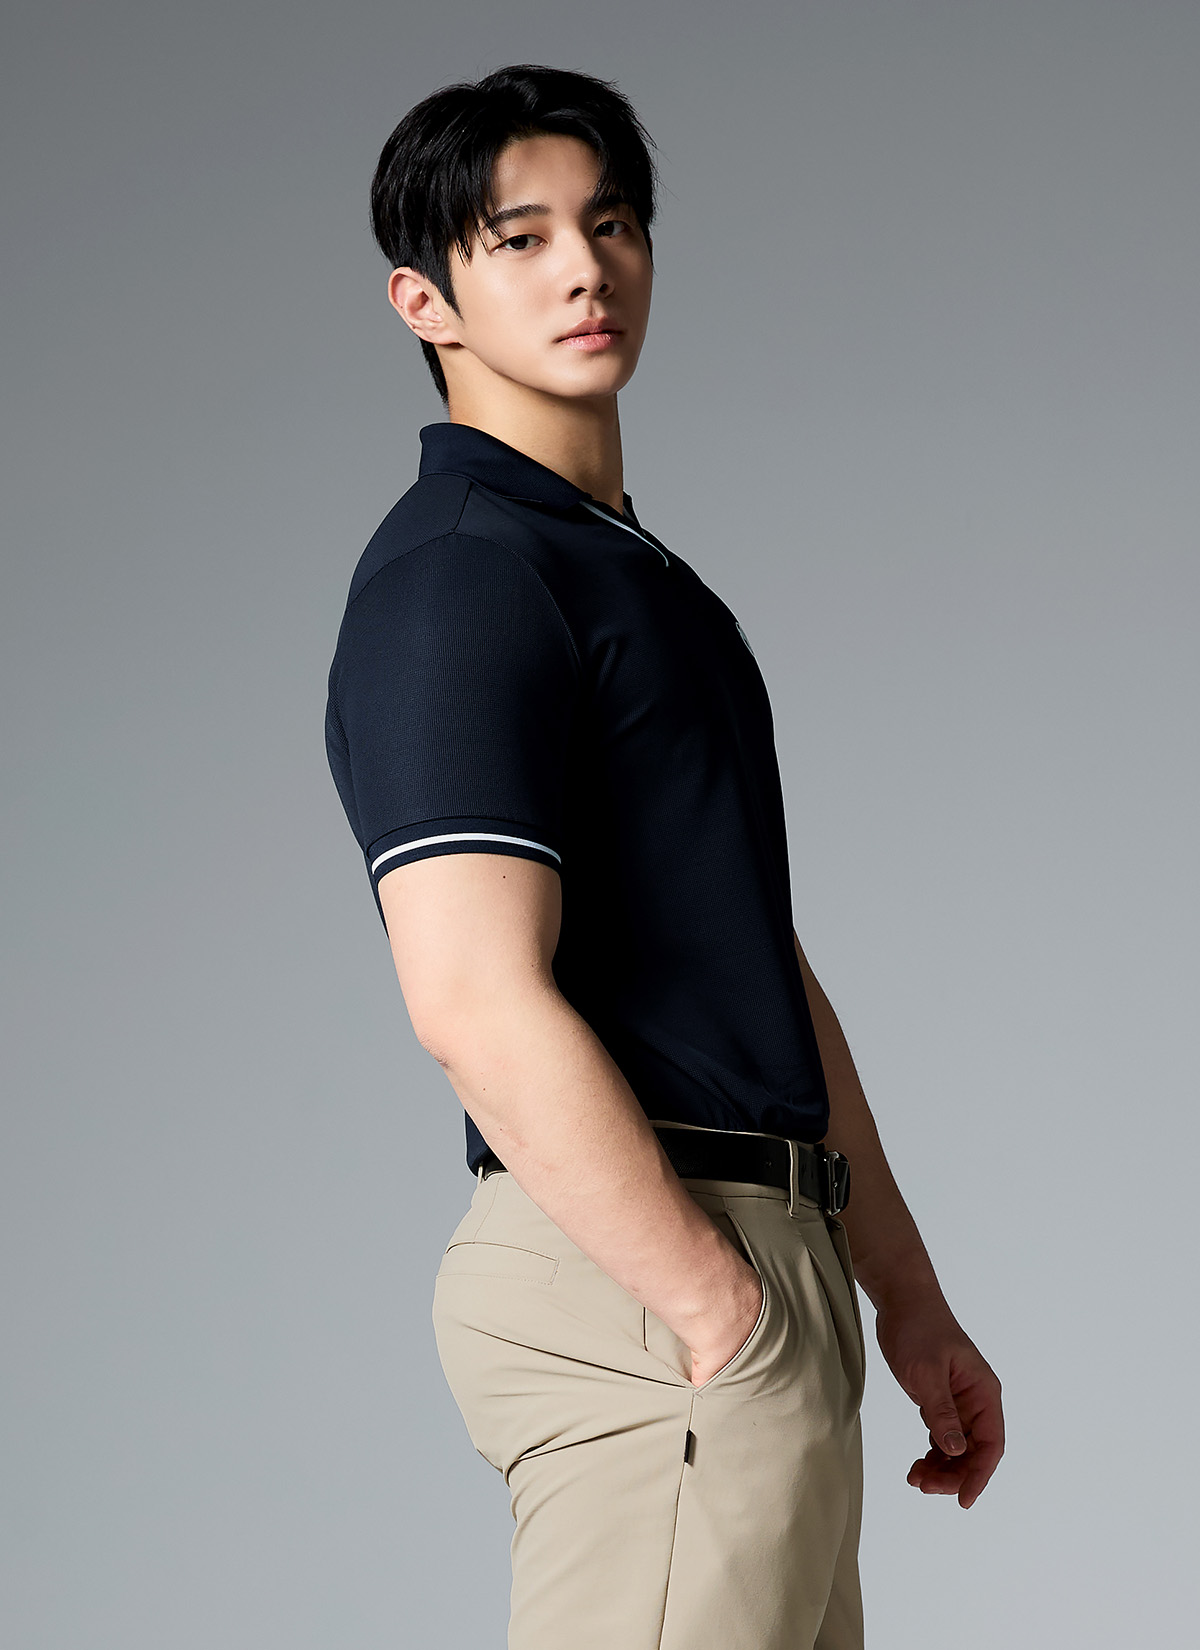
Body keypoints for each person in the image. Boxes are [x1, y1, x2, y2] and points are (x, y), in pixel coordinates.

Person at [324, 62, 1004, 1650]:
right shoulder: (464, 576)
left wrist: (902, 1290)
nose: (584, 267)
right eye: (521, 238)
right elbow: (470, 997)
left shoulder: (627, 578)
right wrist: (714, 1304)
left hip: (763, 1252)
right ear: (424, 301)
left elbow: (753, 958)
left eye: (612, 223)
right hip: (651, 1270)